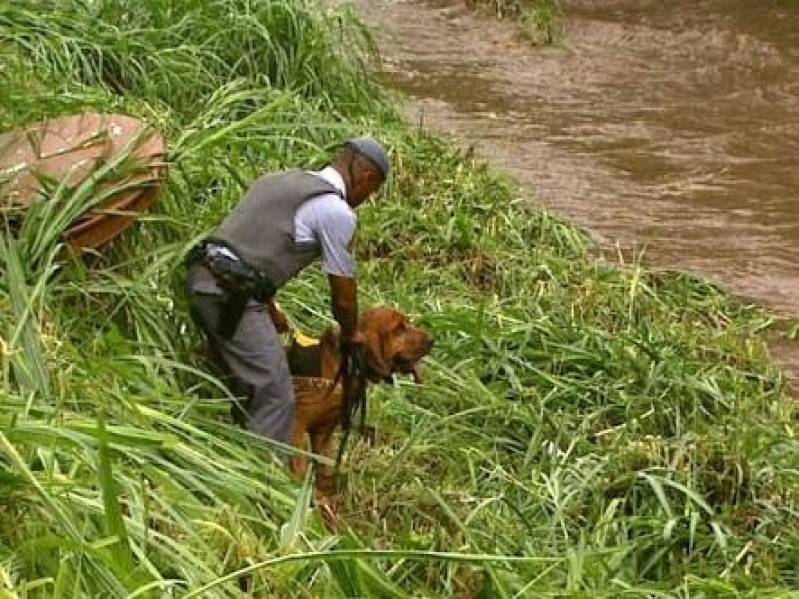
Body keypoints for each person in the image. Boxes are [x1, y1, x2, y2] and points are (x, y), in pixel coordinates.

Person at [185, 137, 389, 450]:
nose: (365, 199)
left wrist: (269, 305)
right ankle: (263, 486)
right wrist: (351, 335)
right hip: (234, 296)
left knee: (241, 382)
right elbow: (344, 297)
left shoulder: (278, 180)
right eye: (371, 192)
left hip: (201, 279)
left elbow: (248, 246)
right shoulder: (336, 212)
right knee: (275, 393)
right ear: (366, 178)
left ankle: (228, 456)